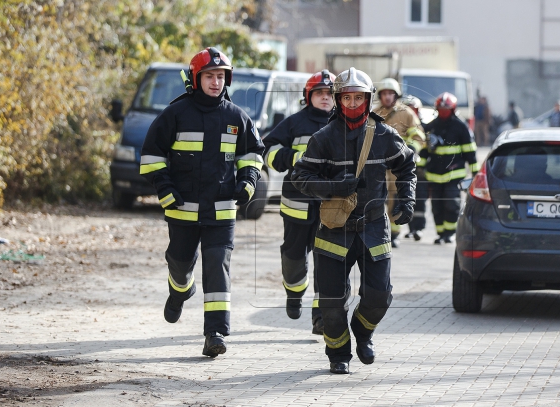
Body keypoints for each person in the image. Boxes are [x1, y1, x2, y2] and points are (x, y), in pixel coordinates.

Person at [140, 47, 264, 358]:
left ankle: (215, 333)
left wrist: (248, 181)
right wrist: (164, 188)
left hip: (222, 212)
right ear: (196, 78)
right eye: (209, 76)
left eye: (221, 76)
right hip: (181, 209)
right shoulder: (174, 114)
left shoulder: (238, 117)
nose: (215, 82)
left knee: (217, 266)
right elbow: (152, 156)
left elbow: (253, 155)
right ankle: (180, 290)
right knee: (180, 263)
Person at [292, 67, 416, 374]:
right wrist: (333, 187)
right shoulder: (323, 139)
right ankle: (339, 354)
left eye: (358, 97)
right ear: (337, 99)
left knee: (379, 296)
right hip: (333, 230)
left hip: (374, 226)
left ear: (368, 99)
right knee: (331, 304)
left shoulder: (385, 135)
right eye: (346, 97)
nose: (352, 103)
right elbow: (300, 177)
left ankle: (363, 334)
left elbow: (407, 166)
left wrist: (406, 200)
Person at [262, 70, 336, 335]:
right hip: (297, 205)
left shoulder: (344, 124)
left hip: (331, 207)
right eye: (320, 93)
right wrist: (294, 158)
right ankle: (294, 293)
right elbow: (268, 150)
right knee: (294, 258)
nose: (325, 98)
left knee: (327, 262)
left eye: (330, 94)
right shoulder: (294, 123)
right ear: (309, 96)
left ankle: (321, 318)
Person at [373, 79, 425, 248]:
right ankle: (378, 231)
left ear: (396, 95)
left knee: (395, 198)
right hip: (378, 164)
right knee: (376, 197)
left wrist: (409, 151)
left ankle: (394, 233)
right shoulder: (374, 113)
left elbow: (419, 136)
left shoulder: (407, 113)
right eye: (384, 94)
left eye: (391, 93)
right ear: (380, 96)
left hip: (397, 165)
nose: (387, 97)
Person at [421, 92, 479, 244]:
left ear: (452, 110)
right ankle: (440, 234)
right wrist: (418, 168)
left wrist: (475, 173)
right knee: (437, 207)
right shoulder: (431, 127)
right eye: (441, 109)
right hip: (434, 175)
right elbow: (424, 150)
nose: (443, 112)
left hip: (454, 175)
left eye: (446, 109)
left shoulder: (461, 127)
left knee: (452, 205)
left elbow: (470, 153)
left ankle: (450, 233)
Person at [402, 95, 429, 241]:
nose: (411, 112)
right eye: (408, 109)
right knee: (406, 199)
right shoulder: (398, 126)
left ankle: (419, 228)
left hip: (421, 171)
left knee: (420, 200)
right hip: (405, 170)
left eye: (414, 109)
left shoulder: (425, 127)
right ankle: (411, 229)